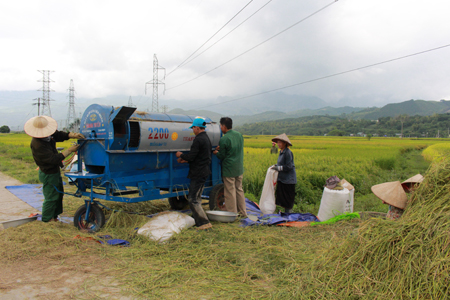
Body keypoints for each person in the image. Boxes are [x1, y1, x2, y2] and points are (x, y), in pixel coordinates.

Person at [24, 116, 85, 222]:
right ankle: (47, 220)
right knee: (51, 197)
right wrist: (69, 150)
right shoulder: (38, 145)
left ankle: (54, 216)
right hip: (48, 172)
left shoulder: (48, 136)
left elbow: (58, 134)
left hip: (54, 171)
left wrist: (72, 135)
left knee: (58, 193)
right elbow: (53, 159)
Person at [176, 117, 213, 230]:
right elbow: (199, 157)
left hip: (198, 173)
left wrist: (181, 155)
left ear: (197, 128)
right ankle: (197, 219)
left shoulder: (198, 140)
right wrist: (186, 159)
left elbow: (192, 156)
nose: (193, 130)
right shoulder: (206, 138)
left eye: (193, 128)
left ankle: (203, 223)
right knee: (197, 197)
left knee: (193, 198)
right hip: (203, 171)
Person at [213, 117, 247, 218]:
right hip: (239, 168)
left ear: (223, 126)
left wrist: (216, 152)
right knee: (239, 190)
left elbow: (222, 156)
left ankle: (232, 213)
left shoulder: (224, 139)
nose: (220, 127)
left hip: (229, 169)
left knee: (230, 191)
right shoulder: (239, 135)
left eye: (220, 125)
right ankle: (243, 212)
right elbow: (234, 148)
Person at [270, 133, 296, 213]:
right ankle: (285, 214)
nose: (278, 144)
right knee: (282, 198)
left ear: (285, 143)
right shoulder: (281, 151)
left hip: (288, 180)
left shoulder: (288, 152)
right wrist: (273, 147)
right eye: (277, 142)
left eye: (280, 142)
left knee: (287, 199)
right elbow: (273, 153)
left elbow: (289, 166)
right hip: (282, 178)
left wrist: (278, 168)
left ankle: (288, 215)